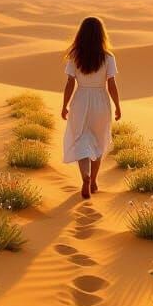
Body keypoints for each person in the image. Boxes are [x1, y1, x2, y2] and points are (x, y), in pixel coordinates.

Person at [60, 16, 122, 199]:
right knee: (98, 141)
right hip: (101, 101)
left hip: (80, 100)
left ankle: (85, 177)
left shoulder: (74, 56)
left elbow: (70, 83)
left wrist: (64, 105)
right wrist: (118, 106)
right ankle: (94, 180)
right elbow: (112, 84)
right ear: (101, 34)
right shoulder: (108, 57)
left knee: (81, 140)